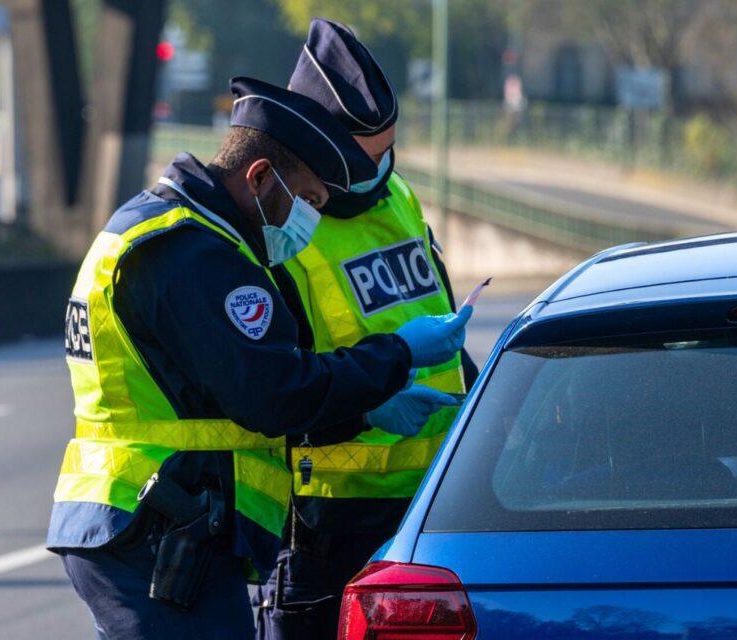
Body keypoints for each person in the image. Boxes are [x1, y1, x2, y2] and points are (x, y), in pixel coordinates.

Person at [47, 76, 471, 639]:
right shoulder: (195, 254)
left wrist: (364, 414)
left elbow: (226, 403)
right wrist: (398, 352)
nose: (312, 221)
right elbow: (274, 394)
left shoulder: (170, 230)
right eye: (311, 202)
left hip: (143, 523)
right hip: (155, 527)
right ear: (261, 177)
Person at [255, 19, 478, 639]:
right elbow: (269, 392)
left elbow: (433, 307)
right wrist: (368, 412)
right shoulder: (283, 224)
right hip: (329, 519)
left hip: (434, 500)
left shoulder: (397, 194)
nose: (380, 172)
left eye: (389, 153)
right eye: (365, 158)